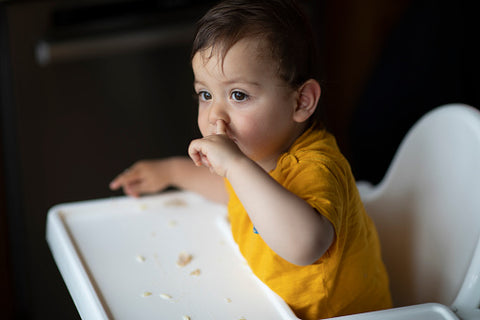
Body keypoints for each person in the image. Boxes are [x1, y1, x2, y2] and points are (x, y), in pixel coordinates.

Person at [110, 0, 392, 318]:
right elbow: (231, 190)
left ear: (301, 101)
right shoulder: (256, 153)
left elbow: (305, 244)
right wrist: (174, 172)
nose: (216, 114)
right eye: (205, 94)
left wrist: (235, 165)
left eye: (238, 95)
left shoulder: (315, 167)